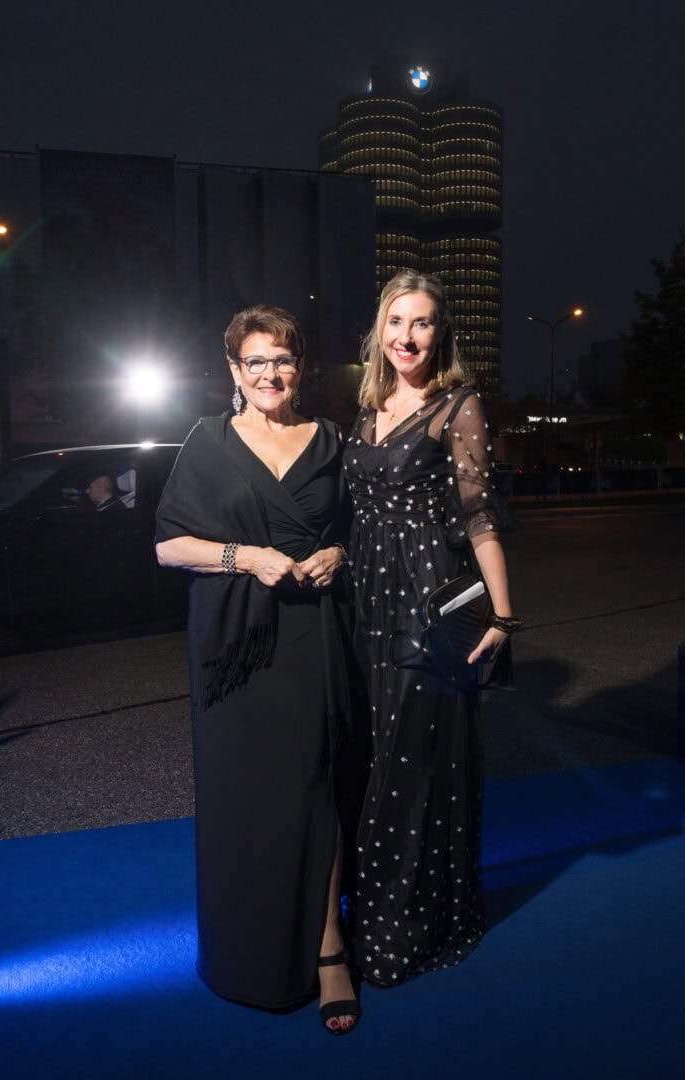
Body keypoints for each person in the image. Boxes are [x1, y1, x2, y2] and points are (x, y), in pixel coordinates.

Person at [155, 304, 362, 1035]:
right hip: (236, 655)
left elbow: (355, 529)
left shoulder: (331, 439)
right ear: (233, 370)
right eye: (256, 361)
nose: (270, 373)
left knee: (316, 788)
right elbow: (168, 546)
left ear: (299, 368)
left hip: (315, 636)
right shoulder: (205, 442)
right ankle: (243, 950)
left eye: (283, 359)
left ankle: (329, 948)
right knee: (244, 801)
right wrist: (245, 557)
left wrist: (338, 552)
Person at [342, 270, 519, 988]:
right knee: (369, 755)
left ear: (441, 332)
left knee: (411, 767)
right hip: (363, 604)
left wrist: (502, 614)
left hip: (424, 606)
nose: (407, 337)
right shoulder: (366, 408)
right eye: (396, 321)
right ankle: (363, 916)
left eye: (421, 323)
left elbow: (479, 515)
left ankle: (406, 930)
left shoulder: (458, 405)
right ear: (379, 331)